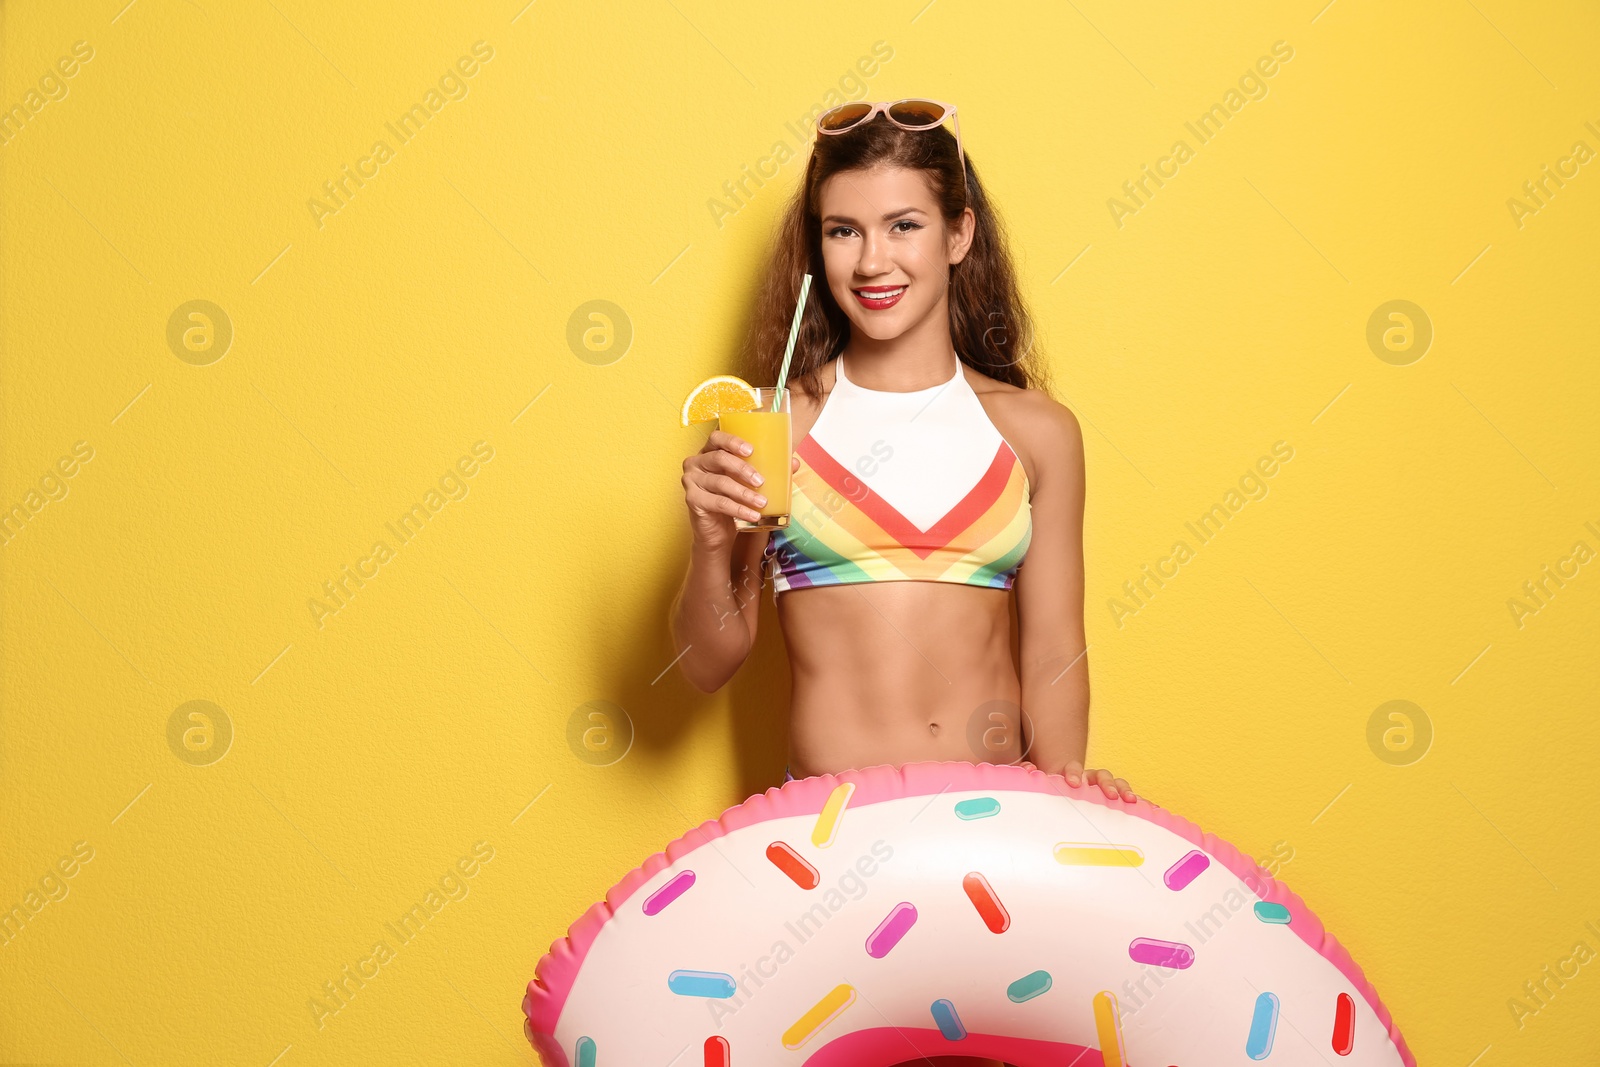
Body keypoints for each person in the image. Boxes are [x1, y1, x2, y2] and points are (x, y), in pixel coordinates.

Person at [670, 101, 1135, 1067]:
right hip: (827, 847)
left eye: (903, 225)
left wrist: (1068, 790)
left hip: (995, 838)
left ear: (960, 233)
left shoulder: (1038, 432)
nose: (871, 261)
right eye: (842, 230)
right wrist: (711, 544)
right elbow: (710, 661)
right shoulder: (775, 426)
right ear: (816, 246)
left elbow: (1052, 643)